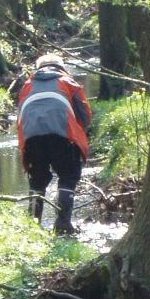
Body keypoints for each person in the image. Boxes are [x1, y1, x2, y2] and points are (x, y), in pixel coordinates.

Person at [13, 52, 92, 235]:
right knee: (68, 175)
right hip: (63, 135)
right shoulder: (69, 82)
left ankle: (33, 225)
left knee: (37, 178)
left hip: (32, 136)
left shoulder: (27, 85)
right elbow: (85, 116)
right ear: (62, 68)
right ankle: (63, 225)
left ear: (38, 68)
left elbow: (20, 119)